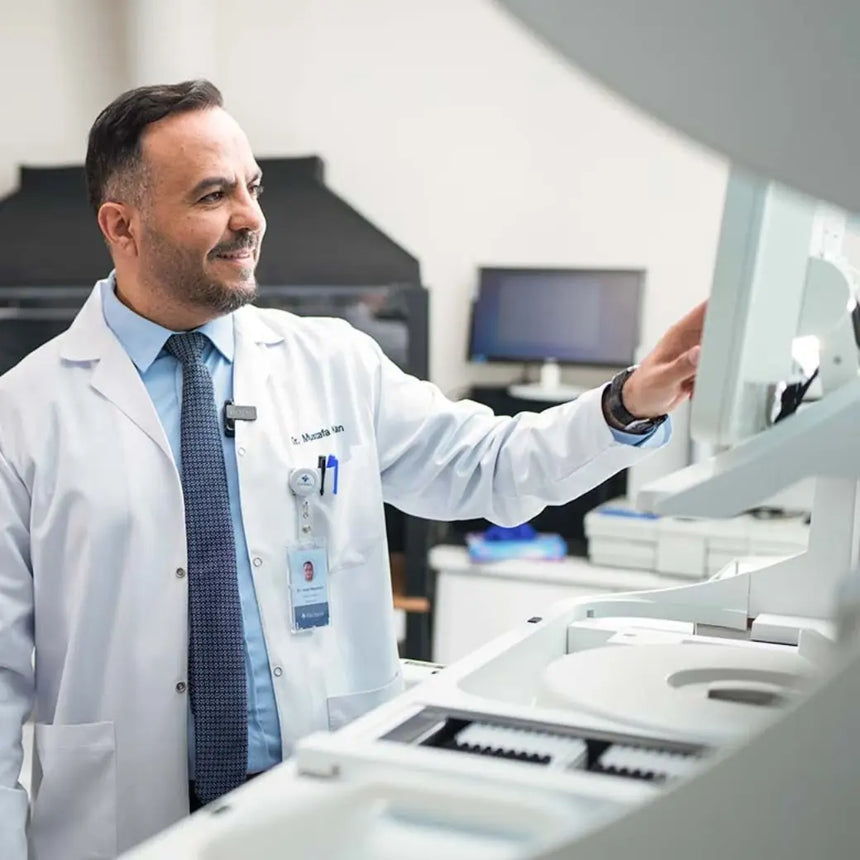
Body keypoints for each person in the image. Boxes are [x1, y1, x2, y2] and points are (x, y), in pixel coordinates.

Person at [0, 80, 703, 860]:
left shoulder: (333, 361)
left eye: (252, 188)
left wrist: (626, 404)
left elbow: (490, 467)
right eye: (213, 195)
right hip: (119, 827)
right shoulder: (24, 412)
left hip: (324, 800)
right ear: (121, 225)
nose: (250, 217)